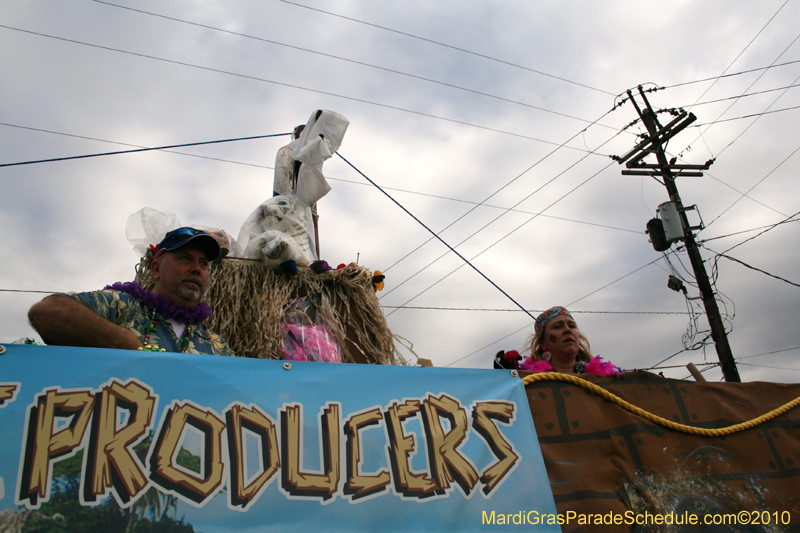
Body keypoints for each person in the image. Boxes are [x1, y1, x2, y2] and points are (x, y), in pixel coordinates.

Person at [28, 227, 233, 356]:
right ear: (156, 268)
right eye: (185, 258)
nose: (197, 268)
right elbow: (47, 312)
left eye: (204, 264)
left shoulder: (216, 346)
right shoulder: (123, 306)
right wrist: (125, 344)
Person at [494, 306, 620, 375]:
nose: (567, 330)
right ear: (543, 341)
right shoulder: (525, 380)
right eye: (558, 327)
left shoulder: (602, 378)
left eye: (571, 326)